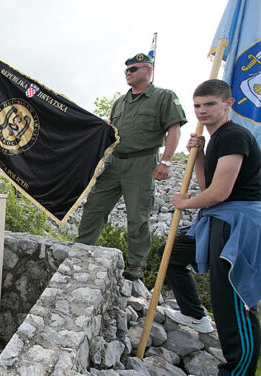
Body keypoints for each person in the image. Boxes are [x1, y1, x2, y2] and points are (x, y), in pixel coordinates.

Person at [162, 79, 260, 375]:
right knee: (174, 255)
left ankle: (237, 370)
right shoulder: (217, 138)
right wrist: (200, 154)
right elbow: (208, 186)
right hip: (218, 217)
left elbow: (220, 193)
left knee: (233, 300)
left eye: (209, 104)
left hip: (238, 223)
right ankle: (195, 315)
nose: (202, 111)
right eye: (197, 105)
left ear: (228, 104)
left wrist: (184, 203)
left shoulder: (233, 136)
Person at [76, 53, 187, 280]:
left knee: (137, 216)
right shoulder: (119, 103)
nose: (128, 73)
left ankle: (136, 264)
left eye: (134, 69)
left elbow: (174, 129)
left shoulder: (163, 97)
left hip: (143, 163)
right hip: (115, 162)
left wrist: (166, 161)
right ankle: (80, 250)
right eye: (126, 70)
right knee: (94, 208)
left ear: (148, 70)